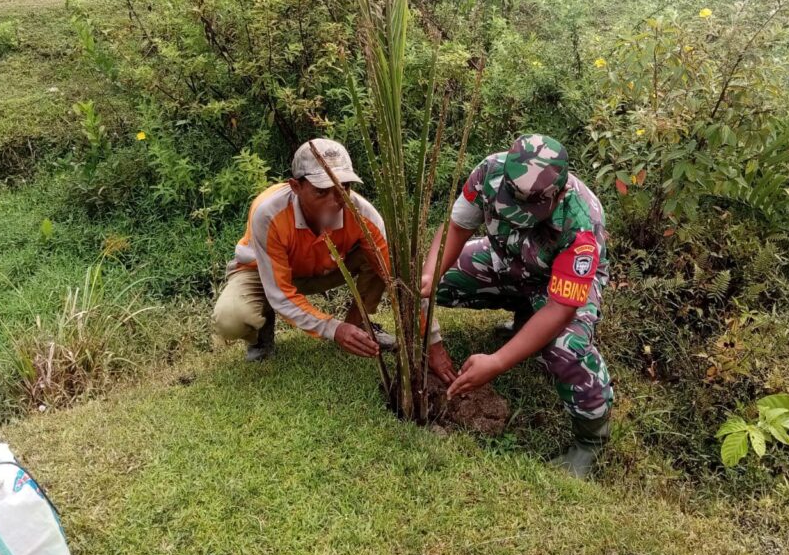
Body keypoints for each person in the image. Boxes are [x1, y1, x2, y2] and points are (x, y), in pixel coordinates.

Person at [421, 134, 613, 477]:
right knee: (439, 283)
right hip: (506, 260)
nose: (519, 211)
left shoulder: (581, 220)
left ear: (557, 193)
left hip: (556, 286)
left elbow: (560, 307)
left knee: (566, 347)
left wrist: (496, 362)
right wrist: (430, 277)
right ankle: (523, 317)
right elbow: (456, 227)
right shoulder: (488, 174)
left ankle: (590, 441)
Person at [213, 138, 456, 383]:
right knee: (231, 318)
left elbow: (401, 279)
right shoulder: (268, 213)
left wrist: (432, 342)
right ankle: (261, 338)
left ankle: (358, 325)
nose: (335, 201)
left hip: (326, 268)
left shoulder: (363, 215)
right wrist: (333, 328)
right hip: (263, 271)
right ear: (295, 187)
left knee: (382, 258)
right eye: (321, 191)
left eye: (344, 187)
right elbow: (280, 292)